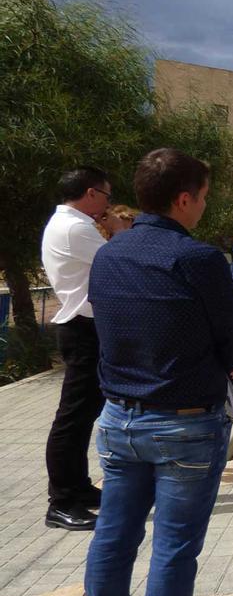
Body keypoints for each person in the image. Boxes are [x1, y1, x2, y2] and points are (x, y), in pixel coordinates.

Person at [86, 148, 233, 596]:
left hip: (117, 417)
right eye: (202, 197)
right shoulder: (197, 259)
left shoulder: (108, 254)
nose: (203, 206)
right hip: (184, 424)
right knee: (174, 548)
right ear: (183, 198)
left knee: (114, 535)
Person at [39, 167, 112, 532]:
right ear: (91, 193)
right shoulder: (76, 227)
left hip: (86, 327)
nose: (108, 205)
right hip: (82, 329)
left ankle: (79, 488)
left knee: (83, 415)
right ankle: (62, 501)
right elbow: (118, 260)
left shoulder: (69, 224)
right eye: (106, 196)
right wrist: (120, 230)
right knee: (73, 417)